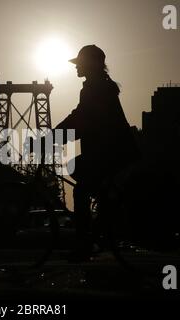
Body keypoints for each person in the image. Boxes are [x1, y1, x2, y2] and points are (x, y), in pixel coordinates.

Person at [55, 45, 139, 262]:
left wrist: (53, 138)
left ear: (89, 64)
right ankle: (100, 224)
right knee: (88, 178)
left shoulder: (95, 89)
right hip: (116, 151)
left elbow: (82, 118)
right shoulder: (101, 86)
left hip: (111, 151)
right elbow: (82, 118)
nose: (76, 68)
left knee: (81, 189)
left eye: (79, 63)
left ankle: (85, 243)